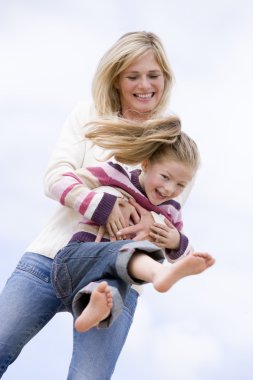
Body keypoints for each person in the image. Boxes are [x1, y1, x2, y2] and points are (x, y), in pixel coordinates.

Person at [0, 31, 191, 379]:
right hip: (51, 258)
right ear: (117, 79)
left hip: (115, 280)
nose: (144, 85)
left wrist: (160, 234)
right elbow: (56, 177)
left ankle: (109, 299)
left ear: (166, 77)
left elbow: (170, 213)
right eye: (133, 76)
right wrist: (105, 204)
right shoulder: (88, 115)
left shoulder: (173, 142)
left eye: (153, 75)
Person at [51, 115, 215, 333]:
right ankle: (158, 273)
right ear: (146, 164)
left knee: (112, 288)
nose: (169, 189)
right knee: (126, 254)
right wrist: (103, 205)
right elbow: (59, 183)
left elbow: (187, 259)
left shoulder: (170, 211)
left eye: (180, 185)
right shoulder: (115, 175)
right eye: (165, 177)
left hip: (106, 280)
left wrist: (176, 242)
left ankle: (92, 309)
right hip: (75, 261)